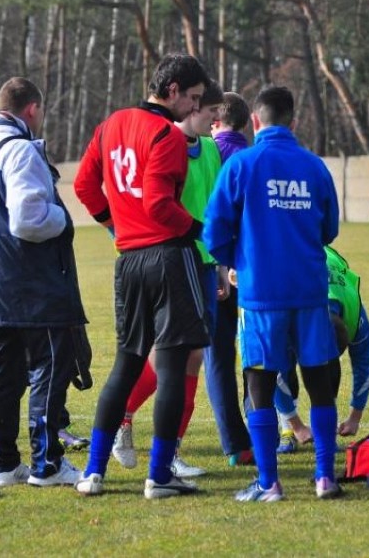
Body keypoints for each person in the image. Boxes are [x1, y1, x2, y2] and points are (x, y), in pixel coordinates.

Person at [73, 54, 210, 499]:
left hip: (128, 259)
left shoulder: (110, 123)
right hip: (168, 256)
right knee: (171, 366)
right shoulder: (166, 134)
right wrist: (198, 230)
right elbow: (157, 203)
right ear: (170, 90)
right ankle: (159, 475)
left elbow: (84, 187)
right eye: (191, 99)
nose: (193, 109)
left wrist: (115, 224)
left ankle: (93, 473)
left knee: (127, 363)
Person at [204, 86, 342, 502]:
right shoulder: (315, 167)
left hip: (260, 293)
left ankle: (269, 483)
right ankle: (324, 477)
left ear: (256, 122)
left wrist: (236, 262)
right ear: (294, 123)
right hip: (309, 290)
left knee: (259, 385)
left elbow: (213, 232)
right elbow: (330, 229)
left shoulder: (241, 165)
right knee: (319, 382)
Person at [0, 77, 87, 487]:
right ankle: (46, 464)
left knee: (0, 374)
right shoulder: (22, 151)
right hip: (31, 286)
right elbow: (27, 221)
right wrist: (62, 217)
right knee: (49, 366)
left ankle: (4, 464)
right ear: (32, 110)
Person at [109, 79, 226, 479]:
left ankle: (171, 451)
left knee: (192, 358)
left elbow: (214, 207)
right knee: (169, 357)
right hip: (171, 262)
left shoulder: (211, 151)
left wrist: (221, 262)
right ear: (189, 108)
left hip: (204, 264)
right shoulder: (165, 144)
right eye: (208, 111)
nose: (214, 122)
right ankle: (125, 417)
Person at [274, 245, 369, 453]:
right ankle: (287, 433)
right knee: (281, 361)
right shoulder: (284, 310)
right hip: (285, 265)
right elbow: (272, 371)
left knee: (324, 370)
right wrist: (296, 425)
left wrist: (355, 417)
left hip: (327, 261)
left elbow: (365, 364)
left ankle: (325, 430)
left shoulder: (355, 319)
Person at [207, 91, 255, 467]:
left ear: (216, 122)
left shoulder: (202, 154)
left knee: (218, 355)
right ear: (247, 123)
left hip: (209, 268)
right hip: (249, 269)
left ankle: (234, 443)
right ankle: (262, 429)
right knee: (255, 353)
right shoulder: (249, 159)